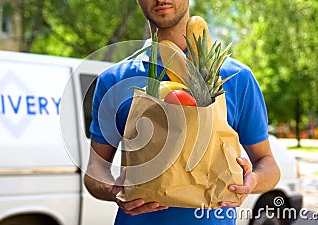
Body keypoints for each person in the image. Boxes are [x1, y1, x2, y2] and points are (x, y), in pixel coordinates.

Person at [84, 0, 281, 224]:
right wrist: (114, 191)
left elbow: (269, 164)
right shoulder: (114, 80)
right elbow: (95, 170)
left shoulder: (236, 78)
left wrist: (252, 181)